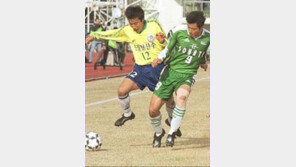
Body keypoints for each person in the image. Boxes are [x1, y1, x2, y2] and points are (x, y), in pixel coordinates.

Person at [86, 6, 179, 140]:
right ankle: (128, 114)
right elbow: (113, 33)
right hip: (140, 69)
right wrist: (95, 35)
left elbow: (166, 44)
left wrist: (162, 41)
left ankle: (173, 122)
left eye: (136, 23)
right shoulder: (127, 30)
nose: (134, 27)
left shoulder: (154, 26)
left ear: (142, 20)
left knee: (169, 101)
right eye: (131, 24)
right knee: (122, 91)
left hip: (158, 69)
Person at [149, 11, 210, 147]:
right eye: (189, 27)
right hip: (170, 72)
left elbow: (203, 52)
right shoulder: (178, 31)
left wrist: (202, 61)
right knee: (153, 110)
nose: (190, 31)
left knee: (181, 98)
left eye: (193, 29)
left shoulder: (208, 38)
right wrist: (160, 58)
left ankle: (171, 133)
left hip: (188, 74)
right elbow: (168, 48)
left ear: (201, 28)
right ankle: (159, 133)